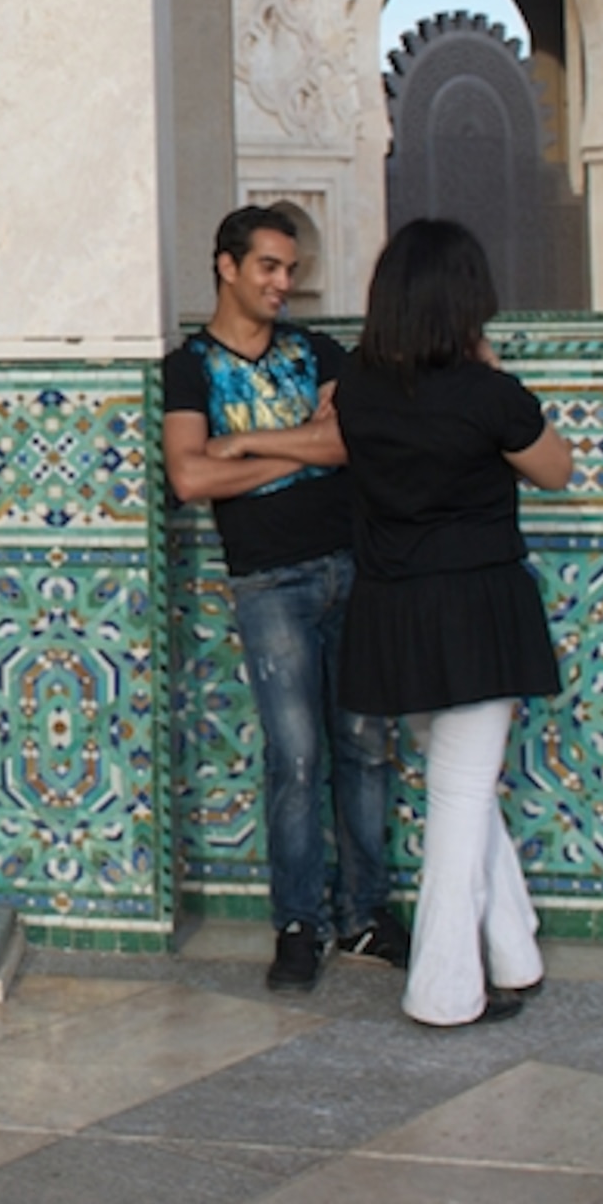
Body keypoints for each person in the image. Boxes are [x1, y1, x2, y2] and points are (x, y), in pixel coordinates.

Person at [334, 218, 573, 1029]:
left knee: (463, 787)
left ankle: (513, 949)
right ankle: (443, 988)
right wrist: (495, 376)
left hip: (393, 611)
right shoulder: (487, 395)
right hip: (474, 611)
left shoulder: (357, 389)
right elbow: (556, 468)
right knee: (463, 793)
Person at [164, 207, 404, 992]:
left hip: (349, 568)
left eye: (289, 270)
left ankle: (365, 915)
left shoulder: (319, 350)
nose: (282, 283)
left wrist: (244, 443)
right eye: (269, 266)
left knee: (364, 747)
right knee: (296, 758)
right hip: (270, 582)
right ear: (227, 267)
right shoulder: (190, 367)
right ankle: (298, 924)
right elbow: (191, 478)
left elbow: (345, 444)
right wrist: (288, 445)